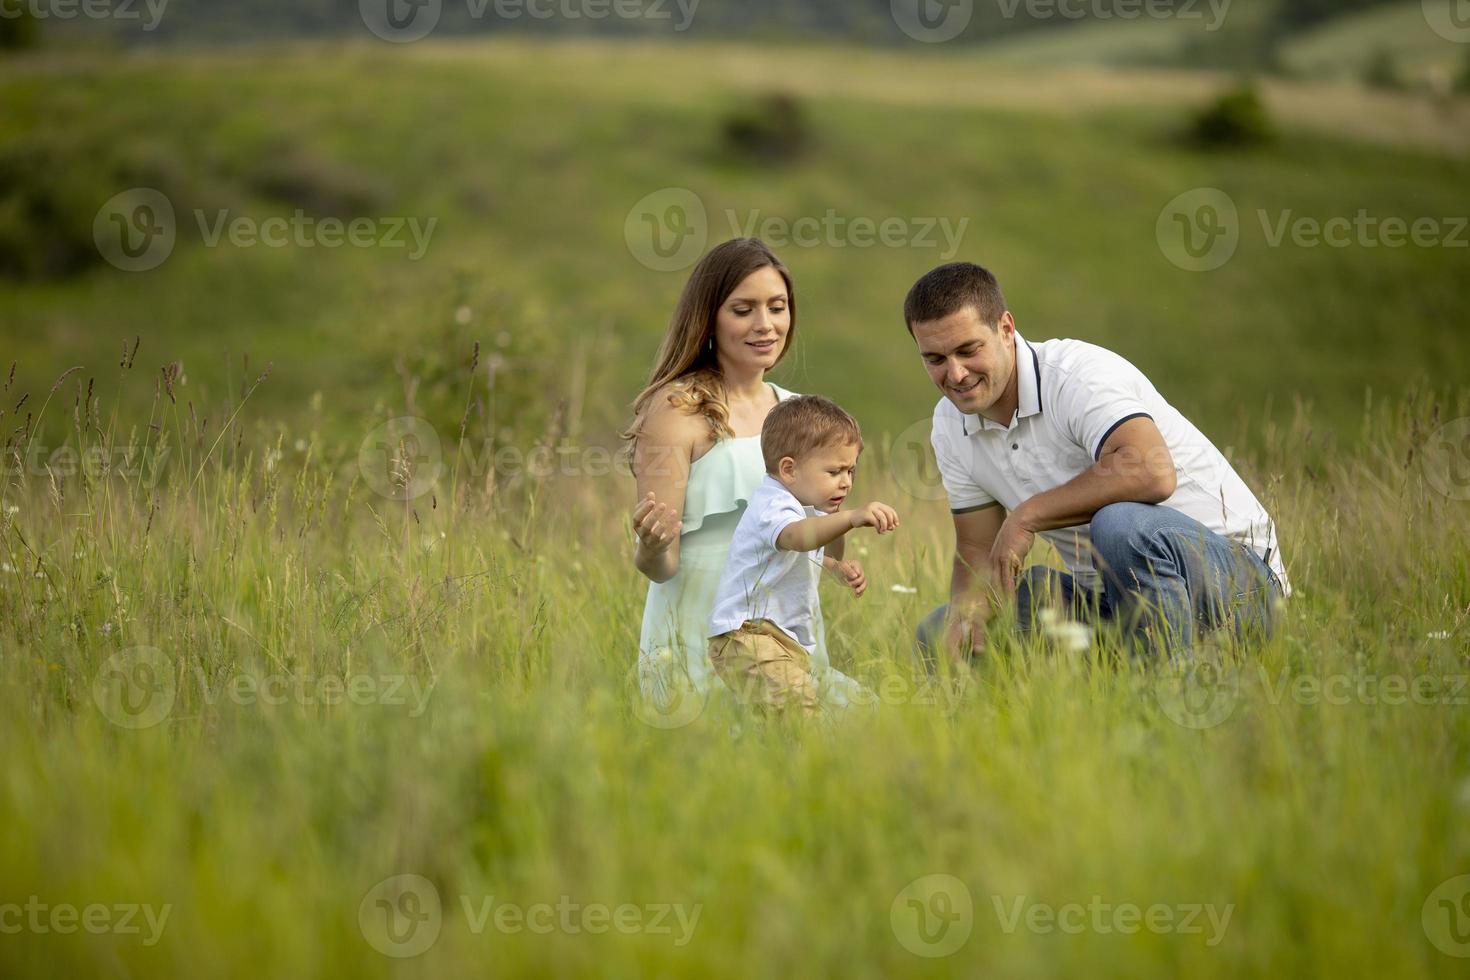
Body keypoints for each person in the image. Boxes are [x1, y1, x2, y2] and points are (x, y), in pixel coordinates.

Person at [906, 262, 1290, 660]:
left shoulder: (1077, 374)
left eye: (968, 350)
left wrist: (1027, 514)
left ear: (1005, 329)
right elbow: (976, 546)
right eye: (935, 359)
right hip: (1112, 601)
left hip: (1242, 589)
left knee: (1120, 524)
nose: (956, 373)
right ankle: (1060, 707)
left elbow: (1150, 471)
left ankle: (1174, 689)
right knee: (939, 632)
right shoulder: (949, 425)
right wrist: (966, 617)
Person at [622, 238, 866, 709]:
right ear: (709, 318)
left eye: (777, 307)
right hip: (704, 630)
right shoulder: (676, 412)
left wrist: (839, 555)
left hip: (786, 631)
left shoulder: (797, 413)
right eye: (743, 310)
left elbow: (813, 529)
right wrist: (649, 546)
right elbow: (660, 564)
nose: (765, 325)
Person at [707, 396, 898, 715]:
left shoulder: (800, 507)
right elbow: (797, 538)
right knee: (799, 711)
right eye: (835, 471)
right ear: (789, 469)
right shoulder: (773, 505)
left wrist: (835, 565)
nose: (847, 482)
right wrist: (850, 517)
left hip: (782, 642)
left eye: (851, 471)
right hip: (746, 637)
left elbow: (808, 550)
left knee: (860, 708)